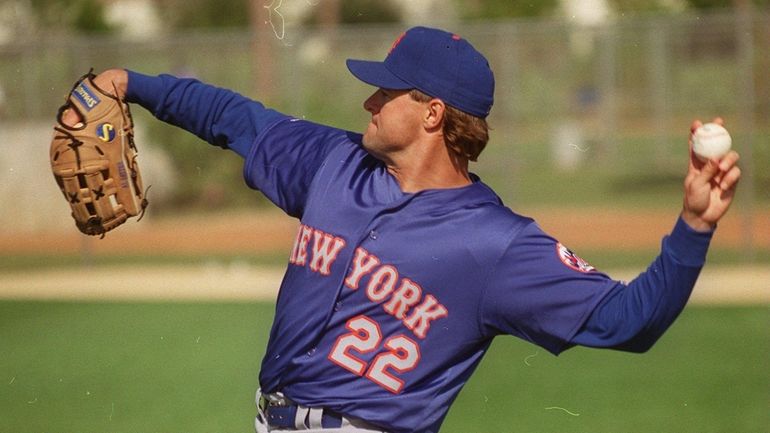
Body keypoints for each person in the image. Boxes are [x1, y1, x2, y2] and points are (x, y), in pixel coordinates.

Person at [64, 26, 740, 433]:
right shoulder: (333, 164)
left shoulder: (494, 244)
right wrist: (131, 81)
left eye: (387, 91)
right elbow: (236, 117)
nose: (369, 99)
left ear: (432, 113)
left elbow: (627, 320)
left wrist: (691, 229)